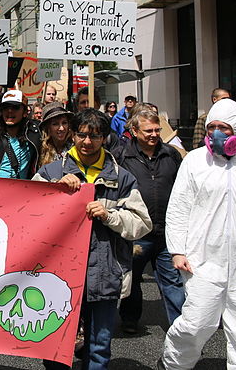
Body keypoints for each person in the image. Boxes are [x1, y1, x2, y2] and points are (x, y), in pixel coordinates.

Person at [159, 99, 236, 370]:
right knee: (197, 322)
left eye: (223, 128)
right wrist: (177, 249)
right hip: (202, 261)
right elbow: (178, 208)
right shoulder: (195, 161)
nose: (216, 133)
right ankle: (173, 363)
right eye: (211, 127)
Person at [34, 109, 152, 370]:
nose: (87, 142)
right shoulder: (51, 172)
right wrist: (54, 192)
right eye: (82, 135)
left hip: (105, 272)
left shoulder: (121, 177)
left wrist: (110, 216)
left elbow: (142, 224)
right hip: (58, 276)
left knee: (99, 347)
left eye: (95, 136)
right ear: (73, 135)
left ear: (106, 138)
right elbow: (29, 217)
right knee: (56, 344)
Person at [116, 105, 184, 335]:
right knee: (132, 279)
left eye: (157, 130)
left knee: (172, 282)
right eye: (148, 131)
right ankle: (129, 318)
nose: (154, 134)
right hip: (136, 233)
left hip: (167, 231)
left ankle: (180, 328)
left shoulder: (171, 154)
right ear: (134, 131)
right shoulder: (122, 156)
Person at [37, 101, 73, 167]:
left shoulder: (75, 147)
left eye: (64, 123)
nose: (61, 128)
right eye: (55, 124)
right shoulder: (40, 150)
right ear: (48, 127)